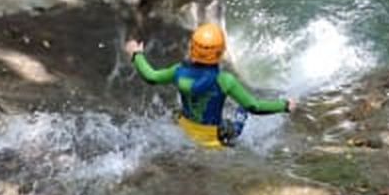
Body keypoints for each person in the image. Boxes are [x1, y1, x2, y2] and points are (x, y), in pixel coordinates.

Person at [125, 23, 296, 148]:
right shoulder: (225, 80)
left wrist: (137, 54)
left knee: (179, 111)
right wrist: (284, 105)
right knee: (241, 111)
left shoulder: (178, 71)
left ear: (192, 48)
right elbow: (255, 106)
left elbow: (151, 77)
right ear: (220, 53)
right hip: (212, 139)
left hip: (184, 129)